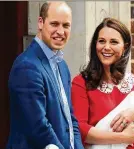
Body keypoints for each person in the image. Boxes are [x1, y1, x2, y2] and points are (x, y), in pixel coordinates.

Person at [71, 17, 134, 149]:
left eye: (114, 42)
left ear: (125, 46)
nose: (106, 47)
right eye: (101, 41)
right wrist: (123, 138)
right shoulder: (81, 83)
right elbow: (80, 130)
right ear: (95, 44)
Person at [6, 2, 84, 149]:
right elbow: (38, 127)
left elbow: (70, 120)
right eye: (54, 24)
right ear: (41, 23)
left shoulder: (62, 65)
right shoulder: (27, 66)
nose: (60, 31)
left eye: (66, 25)